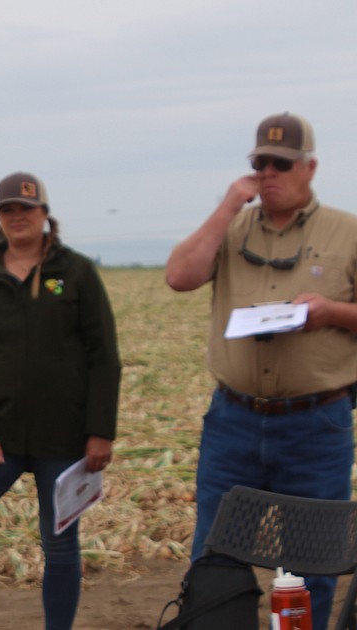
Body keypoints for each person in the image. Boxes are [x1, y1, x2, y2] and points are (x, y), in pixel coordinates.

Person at [165, 111, 357, 624]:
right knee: (214, 557)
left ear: (310, 168)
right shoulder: (231, 228)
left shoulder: (347, 231)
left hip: (316, 425)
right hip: (235, 422)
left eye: (282, 164)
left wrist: (331, 313)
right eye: (261, 163)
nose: (270, 172)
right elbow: (180, 276)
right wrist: (229, 204)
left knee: (309, 567)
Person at [0, 172, 121, 630]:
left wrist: (100, 431)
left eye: (26, 208)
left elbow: (105, 357)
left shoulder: (75, 273)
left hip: (66, 438)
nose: (18, 217)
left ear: (44, 214)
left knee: (59, 544)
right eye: (8, 210)